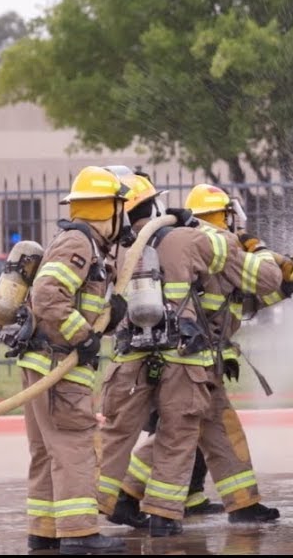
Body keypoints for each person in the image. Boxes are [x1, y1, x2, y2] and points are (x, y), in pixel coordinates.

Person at [120, 184, 292, 524]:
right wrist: (267, 256)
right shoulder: (217, 245)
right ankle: (130, 497)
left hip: (200, 357)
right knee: (178, 434)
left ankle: (242, 503)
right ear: (221, 214)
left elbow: (230, 305)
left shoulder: (185, 242)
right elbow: (261, 281)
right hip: (192, 362)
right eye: (229, 214)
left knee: (219, 430)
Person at [94, 168, 215, 538]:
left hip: (129, 357)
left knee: (116, 434)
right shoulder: (186, 239)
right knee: (178, 433)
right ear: (154, 202)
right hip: (180, 353)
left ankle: (96, 508)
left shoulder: (110, 249)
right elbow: (229, 264)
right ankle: (163, 516)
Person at [20, 166, 130, 555]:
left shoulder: (85, 245)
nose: (127, 217)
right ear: (108, 209)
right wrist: (82, 336)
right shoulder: (79, 244)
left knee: (46, 452)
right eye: (122, 207)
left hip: (43, 365)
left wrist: (110, 316)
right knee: (74, 446)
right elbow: (48, 296)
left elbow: (73, 298)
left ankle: (45, 532)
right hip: (58, 367)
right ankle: (81, 535)